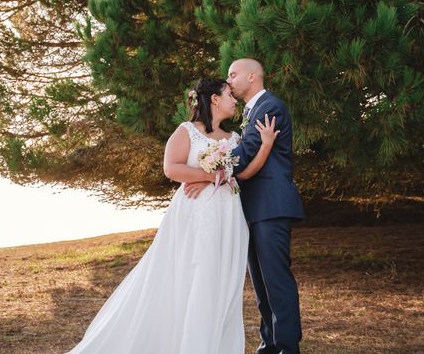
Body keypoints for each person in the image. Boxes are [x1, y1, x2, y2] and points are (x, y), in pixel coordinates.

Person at [66, 77, 279, 354]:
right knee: (197, 279)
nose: (234, 99)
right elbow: (171, 168)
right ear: (215, 99)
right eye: (229, 94)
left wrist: (264, 145)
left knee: (223, 284)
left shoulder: (234, 138)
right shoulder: (187, 131)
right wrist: (210, 176)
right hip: (196, 217)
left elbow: (244, 173)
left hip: (229, 218)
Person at [190, 58, 306, 354]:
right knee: (261, 283)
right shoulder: (252, 111)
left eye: (233, 74)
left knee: (276, 280)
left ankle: (287, 347)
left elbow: (244, 154)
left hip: (271, 206)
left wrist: (210, 166)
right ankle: (269, 343)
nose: (229, 81)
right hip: (253, 208)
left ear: (251, 76)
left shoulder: (270, 107)